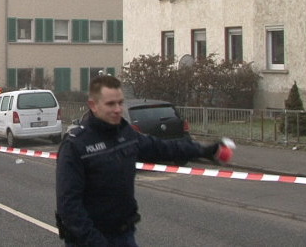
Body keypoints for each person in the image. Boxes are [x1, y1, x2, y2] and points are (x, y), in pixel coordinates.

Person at [55, 75, 234, 246]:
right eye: (110, 104)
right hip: (91, 240)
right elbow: (69, 207)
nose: (118, 109)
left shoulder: (125, 134)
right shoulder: (76, 145)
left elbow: (163, 148)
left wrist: (206, 150)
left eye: (120, 102)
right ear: (93, 105)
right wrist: (96, 243)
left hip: (124, 235)